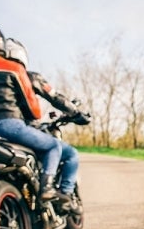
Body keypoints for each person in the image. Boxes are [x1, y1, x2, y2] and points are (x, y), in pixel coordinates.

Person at [0, 25, 88, 210]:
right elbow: (34, 105)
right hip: (12, 126)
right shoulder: (15, 69)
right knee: (55, 147)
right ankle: (49, 188)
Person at [6, 37, 90, 210]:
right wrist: (76, 113)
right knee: (70, 154)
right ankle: (65, 196)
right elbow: (55, 97)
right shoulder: (29, 77)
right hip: (25, 131)